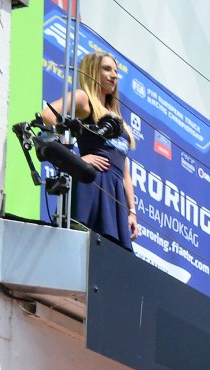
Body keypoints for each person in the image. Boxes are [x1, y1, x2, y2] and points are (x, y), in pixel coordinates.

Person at [40, 51, 138, 249]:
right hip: (92, 181)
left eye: (116, 71)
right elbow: (47, 115)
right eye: (107, 69)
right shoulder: (84, 98)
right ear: (93, 71)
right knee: (82, 245)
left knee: (111, 253)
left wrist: (132, 210)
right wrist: (77, 159)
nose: (114, 75)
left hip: (115, 191)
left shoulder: (116, 117)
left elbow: (125, 169)